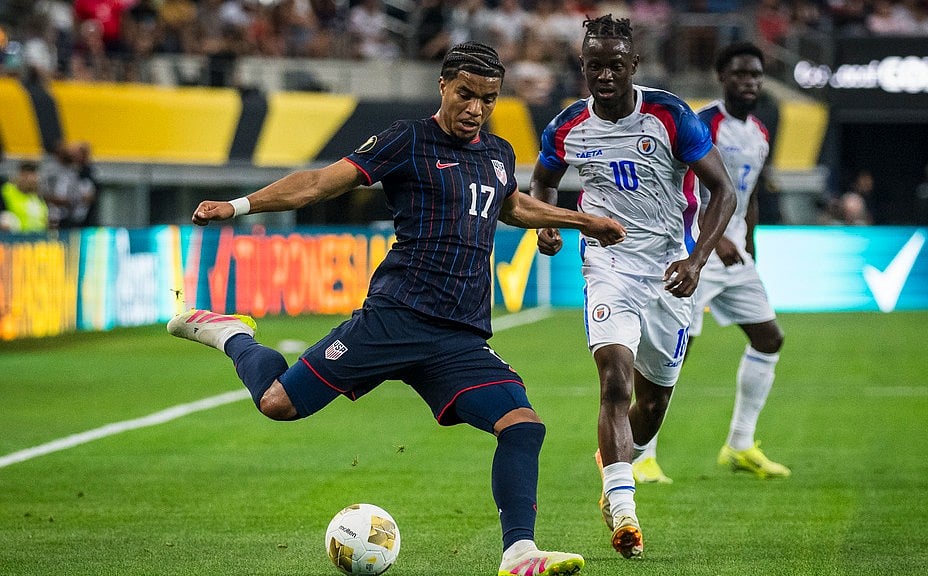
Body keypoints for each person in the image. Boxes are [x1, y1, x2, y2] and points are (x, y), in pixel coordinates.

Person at [166, 41, 626, 576]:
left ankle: (519, 553)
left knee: (522, 425)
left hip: (458, 337)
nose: (475, 108)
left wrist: (582, 221)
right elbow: (316, 184)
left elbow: (512, 205)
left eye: (488, 99)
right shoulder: (407, 140)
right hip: (395, 318)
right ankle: (230, 334)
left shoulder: (499, 153)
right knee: (276, 404)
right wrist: (238, 205)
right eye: (465, 94)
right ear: (443, 87)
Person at [529, 15, 737, 560]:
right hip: (607, 265)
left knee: (654, 398)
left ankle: (620, 457)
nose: (604, 74)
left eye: (614, 65)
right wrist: (549, 223)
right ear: (582, 65)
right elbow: (543, 180)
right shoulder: (567, 125)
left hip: (670, 270)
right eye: (594, 65)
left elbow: (723, 192)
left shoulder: (669, 115)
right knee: (614, 380)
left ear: (633, 65)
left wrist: (696, 260)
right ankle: (623, 509)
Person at [632, 42, 791, 485]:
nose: (750, 82)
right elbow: (685, 184)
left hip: (735, 250)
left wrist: (750, 241)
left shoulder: (759, 130)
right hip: (697, 249)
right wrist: (711, 237)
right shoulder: (703, 122)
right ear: (722, 77)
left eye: (757, 75)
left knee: (769, 338)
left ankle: (739, 444)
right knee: (673, 353)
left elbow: (750, 193)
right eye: (741, 74)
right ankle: (642, 454)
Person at [41, 140, 98, 228]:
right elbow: (44, 191)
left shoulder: (78, 171)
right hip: (53, 214)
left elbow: (85, 194)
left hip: (74, 216)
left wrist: (73, 200)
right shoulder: (50, 170)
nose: (73, 156)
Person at [0, 161, 50, 233]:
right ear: (20, 176)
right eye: (27, 177)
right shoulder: (6, 191)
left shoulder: (37, 198)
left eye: (34, 177)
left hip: (38, 241)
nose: (32, 181)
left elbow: (45, 222)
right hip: (14, 240)